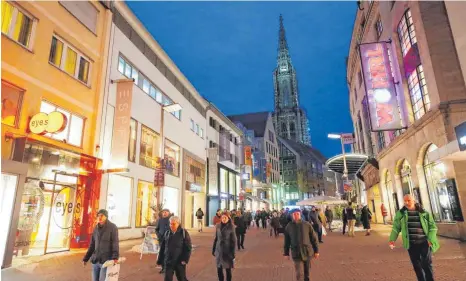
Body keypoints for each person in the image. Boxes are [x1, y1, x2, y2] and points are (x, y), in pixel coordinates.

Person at [389, 195, 439, 281]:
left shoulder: (424, 212)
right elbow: (396, 228)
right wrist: (392, 240)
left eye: (409, 200)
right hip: (411, 243)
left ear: (414, 200)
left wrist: (430, 239)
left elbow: (433, 227)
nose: (406, 202)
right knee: (416, 265)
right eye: (405, 201)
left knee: (426, 264)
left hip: (424, 242)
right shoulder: (400, 213)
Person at [82, 209, 119, 281]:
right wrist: (86, 258)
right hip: (95, 260)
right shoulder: (96, 228)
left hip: (105, 261)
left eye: (101, 215)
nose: (99, 217)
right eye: (98, 216)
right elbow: (92, 244)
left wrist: (115, 257)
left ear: (106, 216)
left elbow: (115, 242)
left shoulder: (112, 227)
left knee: (102, 279)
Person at [283, 210, 319, 281]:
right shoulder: (289, 226)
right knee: (299, 273)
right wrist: (286, 253)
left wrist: (316, 251)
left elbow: (314, 239)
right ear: (292, 215)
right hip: (296, 253)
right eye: (294, 214)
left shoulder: (307, 224)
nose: (296, 215)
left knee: (306, 273)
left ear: (300, 215)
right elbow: (286, 241)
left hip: (307, 252)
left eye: (297, 214)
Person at [157, 216, 192, 281]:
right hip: (168, 261)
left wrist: (185, 259)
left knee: (182, 278)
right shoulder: (167, 233)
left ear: (178, 224)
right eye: (170, 223)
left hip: (179, 261)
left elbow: (188, 248)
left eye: (173, 224)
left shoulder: (183, 233)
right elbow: (163, 247)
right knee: (167, 279)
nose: (171, 225)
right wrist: (160, 259)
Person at [213, 213, 236, 281]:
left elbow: (234, 241)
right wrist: (213, 249)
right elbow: (216, 238)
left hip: (227, 251)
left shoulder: (231, 227)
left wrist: (233, 253)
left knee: (228, 270)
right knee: (219, 269)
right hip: (219, 250)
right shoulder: (218, 226)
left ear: (228, 218)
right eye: (222, 218)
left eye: (225, 218)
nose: (224, 219)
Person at [156, 209, 172, 274]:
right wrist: (158, 235)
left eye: (165, 212)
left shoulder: (171, 219)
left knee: (168, 254)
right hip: (161, 240)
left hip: (169, 240)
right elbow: (157, 229)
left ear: (168, 213)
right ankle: (163, 268)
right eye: (163, 212)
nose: (164, 213)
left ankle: (168, 268)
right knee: (162, 253)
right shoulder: (160, 220)